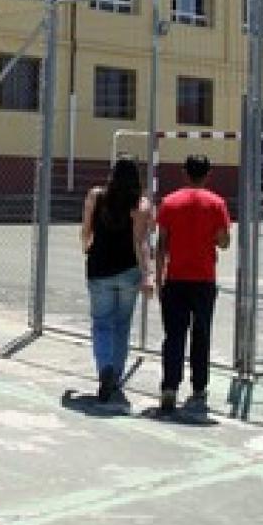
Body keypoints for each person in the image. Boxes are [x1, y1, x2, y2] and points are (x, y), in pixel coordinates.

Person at [154, 154, 233, 416]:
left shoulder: (169, 202)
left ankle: (169, 387)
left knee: (174, 335)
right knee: (201, 334)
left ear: (184, 173)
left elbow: (161, 244)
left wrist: (158, 276)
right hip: (203, 279)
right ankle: (198, 386)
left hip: (175, 278)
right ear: (207, 174)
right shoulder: (217, 203)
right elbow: (223, 241)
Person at [81, 157, 155, 407]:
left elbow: (86, 230)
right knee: (122, 325)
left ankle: (105, 370)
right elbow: (141, 243)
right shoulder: (141, 205)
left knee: (102, 323)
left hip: (99, 268)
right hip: (128, 271)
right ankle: (116, 376)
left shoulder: (96, 196)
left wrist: (85, 245)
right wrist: (147, 274)